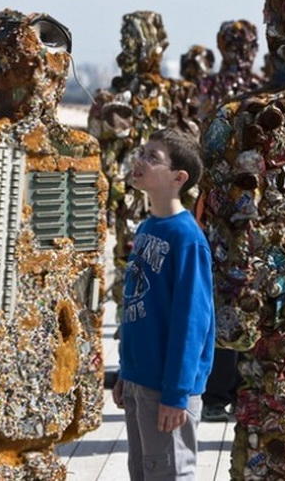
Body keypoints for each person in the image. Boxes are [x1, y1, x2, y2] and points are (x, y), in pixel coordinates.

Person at [112, 127, 215, 480]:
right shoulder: (147, 228)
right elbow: (136, 307)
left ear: (178, 177)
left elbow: (192, 322)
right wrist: (126, 372)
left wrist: (177, 393)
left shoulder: (187, 238)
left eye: (152, 158)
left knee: (169, 472)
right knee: (142, 471)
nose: (140, 161)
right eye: (141, 152)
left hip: (168, 388)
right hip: (140, 380)